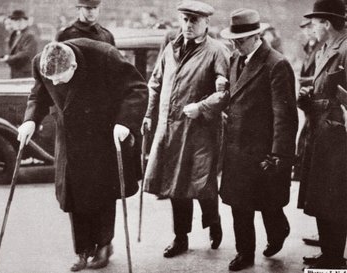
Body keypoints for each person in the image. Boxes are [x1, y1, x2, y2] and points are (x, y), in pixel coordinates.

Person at [17, 40, 147, 271]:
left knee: (102, 193)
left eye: (59, 78)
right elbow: (39, 94)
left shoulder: (104, 56)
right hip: (68, 140)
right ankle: (83, 249)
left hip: (103, 135)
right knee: (73, 195)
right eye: (51, 78)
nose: (54, 83)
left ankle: (104, 245)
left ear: (74, 66)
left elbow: (136, 88)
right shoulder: (41, 63)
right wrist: (30, 120)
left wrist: (125, 121)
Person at [141, 0, 229, 258]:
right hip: (170, 129)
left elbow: (225, 93)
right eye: (185, 19)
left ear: (206, 23)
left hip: (200, 131)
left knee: (201, 183)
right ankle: (181, 238)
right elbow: (155, 83)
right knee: (175, 186)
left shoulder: (217, 51)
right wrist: (148, 115)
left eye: (194, 20)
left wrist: (201, 107)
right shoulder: (171, 48)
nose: (188, 25)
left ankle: (213, 222)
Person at [220, 8, 298, 271]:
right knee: (239, 205)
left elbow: (284, 115)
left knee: (267, 204)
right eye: (233, 40)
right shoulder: (235, 59)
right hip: (236, 148)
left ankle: (279, 230)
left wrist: (279, 156)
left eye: (240, 40)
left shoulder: (276, 64)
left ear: (257, 37)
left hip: (262, 152)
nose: (235, 45)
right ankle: (245, 253)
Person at [297, 0, 347, 269]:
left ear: (326, 24)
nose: (312, 30)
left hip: (338, 136)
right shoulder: (324, 50)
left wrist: (336, 99)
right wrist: (309, 97)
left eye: (315, 24)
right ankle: (328, 253)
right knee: (320, 196)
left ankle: (335, 258)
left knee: (335, 199)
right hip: (320, 131)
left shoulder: (346, 49)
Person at [295, 18, 323, 247]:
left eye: (310, 26)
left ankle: (330, 240)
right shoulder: (314, 47)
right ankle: (326, 235)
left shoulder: (328, 47)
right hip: (314, 115)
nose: (307, 31)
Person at [0, 10, 38, 78]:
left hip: (25, 72)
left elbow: (27, 53)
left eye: (14, 22)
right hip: (16, 70)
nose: (12, 25)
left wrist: (9, 58)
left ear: (21, 21)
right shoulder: (15, 34)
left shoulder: (29, 35)